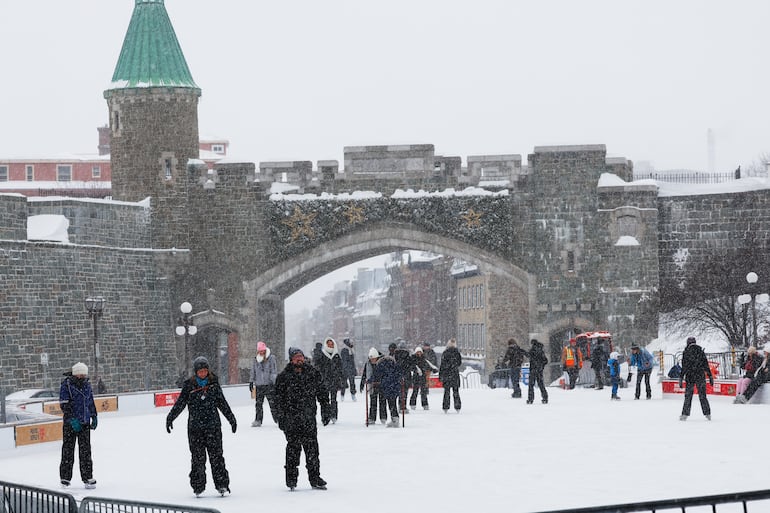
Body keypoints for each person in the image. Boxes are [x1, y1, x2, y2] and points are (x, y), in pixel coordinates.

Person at [166, 356, 237, 496]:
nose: (203, 373)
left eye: (205, 371)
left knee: (217, 457)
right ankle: (198, 486)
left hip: (213, 427)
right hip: (195, 429)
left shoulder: (214, 385)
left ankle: (222, 484)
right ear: (196, 372)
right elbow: (180, 403)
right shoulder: (189, 386)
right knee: (198, 458)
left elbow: (222, 403)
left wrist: (231, 419)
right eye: (200, 371)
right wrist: (170, 418)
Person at [275, 347, 330, 490]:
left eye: (301, 357)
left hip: (308, 418)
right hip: (291, 420)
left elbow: (322, 393)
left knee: (312, 450)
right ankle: (291, 479)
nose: (299, 359)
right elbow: (277, 400)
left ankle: (315, 478)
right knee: (293, 451)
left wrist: (326, 410)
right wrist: (280, 418)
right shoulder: (283, 377)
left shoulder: (312, 373)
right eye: (296, 357)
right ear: (291, 360)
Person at [59, 362, 98, 489]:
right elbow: (64, 404)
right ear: (76, 374)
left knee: (85, 451)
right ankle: (65, 478)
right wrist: (72, 419)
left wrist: (94, 415)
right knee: (68, 450)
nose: (83, 376)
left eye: (84, 374)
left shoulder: (87, 385)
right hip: (70, 424)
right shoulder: (67, 385)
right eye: (81, 374)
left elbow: (90, 401)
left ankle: (87, 477)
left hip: (84, 423)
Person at [679, 337, 713, 421]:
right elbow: (706, 364)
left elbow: (684, 366)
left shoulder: (686, 352)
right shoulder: (700, 351)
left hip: (690, 376)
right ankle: (707, 413)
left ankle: (684, 414)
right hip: (700, 375)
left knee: (688, 396)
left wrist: (681, 377)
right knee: (702, 395)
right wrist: (710, 375)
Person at [249, 341, 278, 427]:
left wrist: (274, 382)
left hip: (269, 385)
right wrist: (251, 381)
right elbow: (253, 371)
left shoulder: (271, 358)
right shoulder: (255, 360)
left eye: (262, 350)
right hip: (259, 385)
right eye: (260, 351)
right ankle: (258, 420)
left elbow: (273, 371)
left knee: (273, 404)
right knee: (258, 404)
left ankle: (278, 419)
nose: (261, 352)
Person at [315, 337, 345, 424]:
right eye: (329, 344)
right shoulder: (322, 354)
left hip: (334, 380)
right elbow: (317, 366)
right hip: (324, 380)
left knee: (334, 399)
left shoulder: (336, 355)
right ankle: (325, 416)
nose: (330, 346)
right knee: (325, 399)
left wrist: (341, 377)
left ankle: (333, 415)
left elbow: (340, 368)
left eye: (332, 344)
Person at [373, 348, 402, 427]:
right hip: (394, 385)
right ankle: (395, 419)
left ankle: (394, 420)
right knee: (392, 403)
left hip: (388, 386)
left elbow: (377, 375)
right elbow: (398, 372)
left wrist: (370, 381)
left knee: (390, 403)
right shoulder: (390, 361)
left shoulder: (380, 364)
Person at [360, 347, 387, 424]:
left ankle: (383, 417)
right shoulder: (368, 364)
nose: (372, 360)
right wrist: (362, 384)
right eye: (371, 359)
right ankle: (372, 418)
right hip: (372, 385)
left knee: (382, 401)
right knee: (373, 402)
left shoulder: (382, 362)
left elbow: (384, 373)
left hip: (381, 384)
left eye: (374, 359)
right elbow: (364, 374)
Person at [440, 338, 462, 413]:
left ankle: (446, 407)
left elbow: (442, 365)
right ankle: (457, 406)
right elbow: (459, 363)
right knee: (456, 392)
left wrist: (441, 375)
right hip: (454, 374)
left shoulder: (445, 353)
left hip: (447, 375)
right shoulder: (457, 353)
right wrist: (454, 366)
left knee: (447, 392)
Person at [393, 342, 414, 414]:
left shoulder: (396, 356)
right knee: (404, 393)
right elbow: (411, 366)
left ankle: (400, 406)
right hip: (406, 376)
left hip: (398, 376)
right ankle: (403, 406)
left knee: (400, 393)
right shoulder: (408, 356)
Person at [526, 339, 549, 404]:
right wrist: (541, 366)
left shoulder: (532, 350)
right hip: (539, 370)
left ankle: (530, 399)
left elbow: (528, 355)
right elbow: (545, 360)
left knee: (531, 385)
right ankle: (545, 398)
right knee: (541, 384)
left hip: (533, 369)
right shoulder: (541, 350)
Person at [339, 338, 357, 402]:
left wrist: (354, 369)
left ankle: (353, 395)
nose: (352, 343)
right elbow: (344, 361)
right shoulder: (344, 350)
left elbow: (352, 362)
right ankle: (342, 395)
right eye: (350, 342)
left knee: (352, 383)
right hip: (346, 370)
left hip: (351, 369)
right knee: (344, 383)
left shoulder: (351, 350)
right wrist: (346, 369)